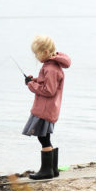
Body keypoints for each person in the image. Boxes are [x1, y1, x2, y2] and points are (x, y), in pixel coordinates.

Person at [22, 35, 71, 180]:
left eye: (36, 53)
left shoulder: (50, 68)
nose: (36, 57)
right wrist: (34, 80)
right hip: (48, 108)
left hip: (45, 109)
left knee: (43, 137)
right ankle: (52, 169)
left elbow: (49, 90)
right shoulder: (52, 65)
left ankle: (46, 171)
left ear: (44, 51)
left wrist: (31, 85)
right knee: (44, 136)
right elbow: (46, 83)